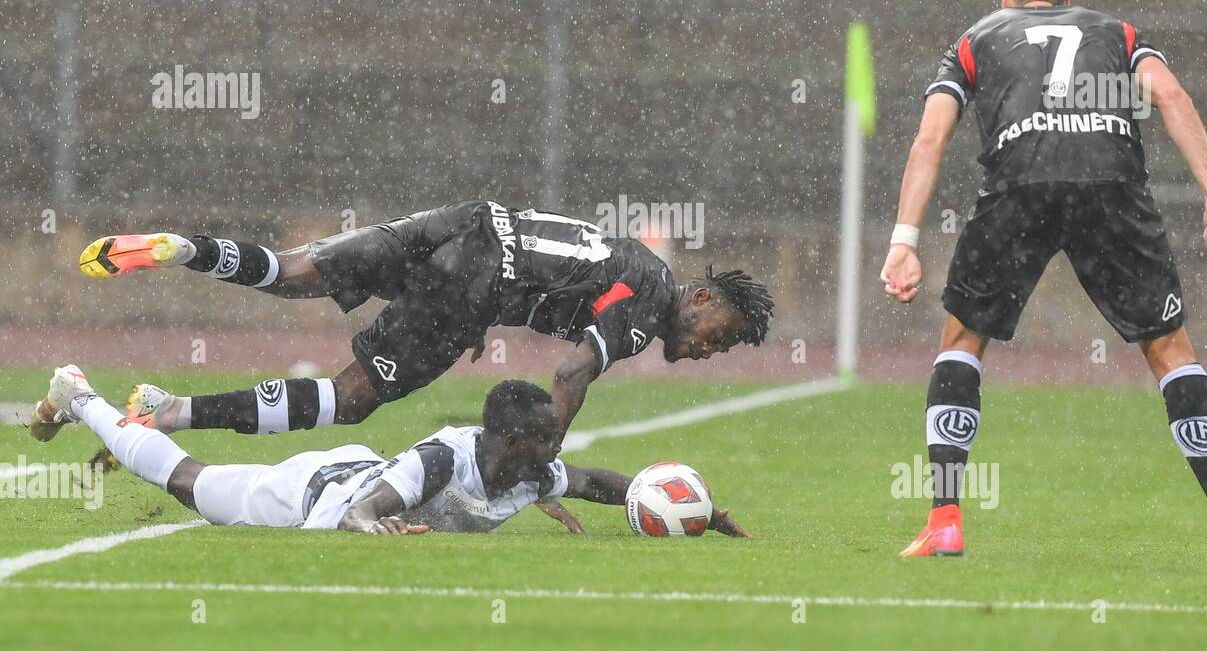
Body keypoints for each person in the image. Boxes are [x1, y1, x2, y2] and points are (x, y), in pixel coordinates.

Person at [880, 0, 1207, 566]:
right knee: (1170, 350)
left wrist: (905, 239)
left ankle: (945, 521)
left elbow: (931, 136)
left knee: (961, 340)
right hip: (1108, 182)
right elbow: (1169, 94)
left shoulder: (977, 36)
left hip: (1021, 182)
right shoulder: (1117, 32)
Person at [46, 201, 772, 440]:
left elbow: (553, 265)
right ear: (703, 300)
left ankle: (183, 248)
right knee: (353, 397)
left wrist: (477, 314)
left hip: (468, 221)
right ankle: (172, 412)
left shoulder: (628, 263)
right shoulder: (650, 302)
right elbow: (572, 368)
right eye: (725, 334)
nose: (714, 350)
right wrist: (536, 460)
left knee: (294, 272)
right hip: (479, 278)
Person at [35, 367, 749, 538]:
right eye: (541, 437)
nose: (552, 449)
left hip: (349, 466)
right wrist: (367, 522)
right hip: (315, 493)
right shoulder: (443, 459)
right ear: (500, 437)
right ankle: (83, 397)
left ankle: (149, 410)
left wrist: (692, 510)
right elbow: (378, 504)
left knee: (192, 484)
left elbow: (595, 479)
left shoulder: (528, 470)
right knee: (189, 485)